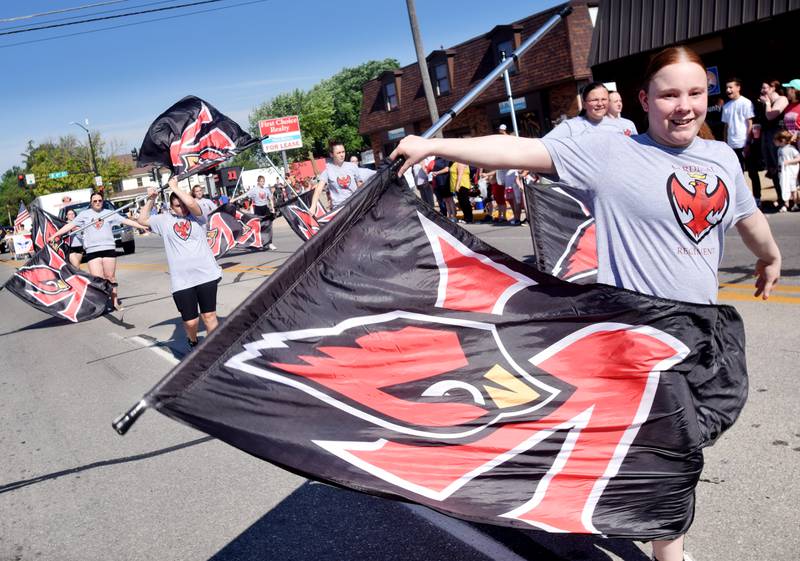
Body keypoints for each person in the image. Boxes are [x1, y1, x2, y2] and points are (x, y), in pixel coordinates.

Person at [391, 45, 781, 561]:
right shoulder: (612, 153)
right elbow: (517, 150)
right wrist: (434, 144)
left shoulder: (721, 158)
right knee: (674, 448)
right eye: (669, 95)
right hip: (636, 332)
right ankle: (669, 550)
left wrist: (770, 256)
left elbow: (747, 216)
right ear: (644, 99)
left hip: (701, 328)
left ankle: (612, 493)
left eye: (694, 93)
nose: (684, 105)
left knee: (681, 432)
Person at [137, 178, 222, 349]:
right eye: (177, 206)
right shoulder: (163, 220)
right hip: (182, 280)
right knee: (191, 322)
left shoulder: (199, 216)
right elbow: (142, 219)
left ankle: (214, 350)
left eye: (183, 204)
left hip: (205, 274)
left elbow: (191, 202)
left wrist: (175, 187)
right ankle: (193, 340)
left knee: (210, 316)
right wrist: (152, 199)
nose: (182, 208)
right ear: (171, 207)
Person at [50, 191, 147, 311]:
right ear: (91, 203)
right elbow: (69, 226)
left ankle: (115, 302)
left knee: (110, 277)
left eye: (100, 201)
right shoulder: (84, 215)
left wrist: (142, 226)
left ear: (102, 201)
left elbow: (126, 221)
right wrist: (55, 235)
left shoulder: (109, 213)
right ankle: (103, 304)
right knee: (98, 279)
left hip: (108, 248)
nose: (97, 203)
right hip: (92, 250)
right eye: (95, 201)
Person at [545, 82, 634, 138]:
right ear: (584, 104)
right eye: (594, 100)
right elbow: (545, 146)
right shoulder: (572, 127)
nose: (600, 104)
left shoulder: (619, 125)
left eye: (603, 99)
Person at [310, 140, 376, 212]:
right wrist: (313, 207)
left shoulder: (352, 166)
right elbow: (318, 190)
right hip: (340, 209)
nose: (342, 155)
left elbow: (360, 185)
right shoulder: (328, 170)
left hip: (355, 204)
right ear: (332, 154)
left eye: (343, 152)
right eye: (338, 153)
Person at [759, 80, 789, 207]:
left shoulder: (781, 99)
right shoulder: (765, 102)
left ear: (773, 88)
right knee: (772, 168)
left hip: (778, 135)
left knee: (780, 167)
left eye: (765, 87)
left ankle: (786, 199)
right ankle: (780, 198)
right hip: (767, 136)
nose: (762, 90)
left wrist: (766, 103)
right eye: (762, 88)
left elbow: (771, 116)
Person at [721, 78, 755, 172]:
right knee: (738, 173)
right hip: (732, 145)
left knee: (752, 172)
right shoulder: (726, 106)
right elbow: (726, 126)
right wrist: (726, 144)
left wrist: (748, 143)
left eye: (730, 87)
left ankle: (756, 188)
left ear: (738, 88)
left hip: (744, 143)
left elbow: (750, 123)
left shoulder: (746, 103)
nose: (728, 90)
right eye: (727, 88)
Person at [774, 130, 800, 212]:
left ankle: (796, 204)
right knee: (784, 187)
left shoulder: (791, 149)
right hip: (783, 173)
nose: (774, 142)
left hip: (791, 172)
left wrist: (788, 162)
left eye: (776, 140)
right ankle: (786, 204)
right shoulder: (779, 150)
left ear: (782, 140)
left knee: (793, 188)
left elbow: (798, 158)